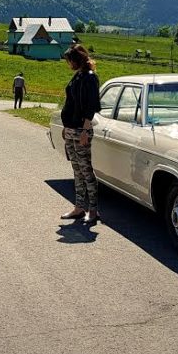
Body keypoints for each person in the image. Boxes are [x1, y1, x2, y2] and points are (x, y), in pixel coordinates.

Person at [59, 44, 102, 224]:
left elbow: (91, 107)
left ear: (76, 60)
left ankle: (93, 210)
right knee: (76, 169)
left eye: (69, 61)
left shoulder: (90, 78)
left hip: (80, 130)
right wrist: (65, 126)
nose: (68, 64)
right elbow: (71, 102)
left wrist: (85, 130)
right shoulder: (78, 76)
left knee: (86, 170)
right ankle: (79, 207)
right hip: (70, 129)